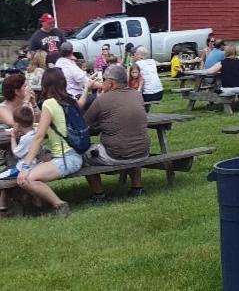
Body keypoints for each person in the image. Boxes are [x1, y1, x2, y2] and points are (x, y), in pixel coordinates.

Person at [16, 68, 84, 217]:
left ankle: (60, 205)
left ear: (45, 84)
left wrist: (25, 166)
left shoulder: (49, 103)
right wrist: (34, 105)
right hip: (75, 155)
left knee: (25, 179)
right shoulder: (69, 100)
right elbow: (46, 122)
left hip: (66, 159)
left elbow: (39, 136)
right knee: (28, 176)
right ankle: (38, 203)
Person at [82, 65, 149, 202]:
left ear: (111, 83)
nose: (103, 82)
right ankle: (137, 187)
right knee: (131, 139)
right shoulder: (137, 95)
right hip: (143, 152)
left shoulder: (102, 100)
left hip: (117, 154)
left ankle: (98, 194)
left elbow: (85, 124)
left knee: (83, 155)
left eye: (104, 80)